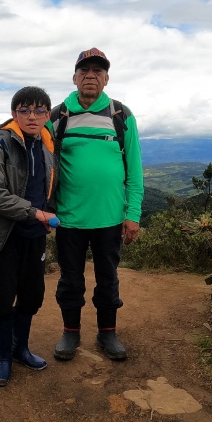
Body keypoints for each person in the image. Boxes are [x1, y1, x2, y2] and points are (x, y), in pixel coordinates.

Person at [50, 48, 143, 361]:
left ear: (106, 78)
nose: (90, 76)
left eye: (97, 71)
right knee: (70, 279)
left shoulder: (121, 115)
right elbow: (39, 160)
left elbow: (135, 169)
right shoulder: (57, 116)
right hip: (68, 218)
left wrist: (132, 214)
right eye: (84, 70)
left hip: (110, 218)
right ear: (75, 77)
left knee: (108, 278)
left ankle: (108, 334)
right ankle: (70, 333)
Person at [0, 87, 58, 386]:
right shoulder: (0, 148)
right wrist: (36, 213)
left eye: (39, 111)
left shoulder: (48, 148)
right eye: (24, 110)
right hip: (5, 235)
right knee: (3, 298)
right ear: (14, 114)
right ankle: (3, 356)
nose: (32, 116)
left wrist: (48, 212)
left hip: (35, 236)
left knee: (31, 296)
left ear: (47, 116)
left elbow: (49, 188)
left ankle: (20, 349)